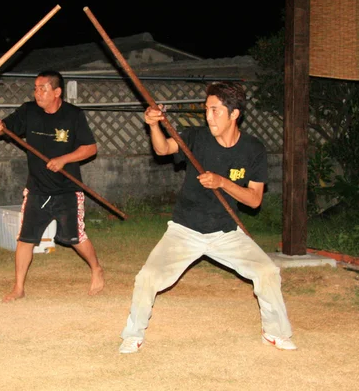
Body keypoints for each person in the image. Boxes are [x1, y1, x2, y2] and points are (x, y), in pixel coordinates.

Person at [118, 82, 296, 354]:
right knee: (148, 277)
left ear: (234, 114)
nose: (208, 116)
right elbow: (163, 149)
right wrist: (153, 124)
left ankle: (275, 333)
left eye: (215, 110)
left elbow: (254, 199)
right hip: (184, 230)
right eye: (206, 110)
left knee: (267, 272)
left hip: (226, 232)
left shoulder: (253, 149)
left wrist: (222, 182)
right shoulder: (196, 137)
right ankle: (133, 335)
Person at [0, 70, 105, 303]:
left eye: (43, 88)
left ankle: (96, 268)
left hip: (67, 189)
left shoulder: (73, 115)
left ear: (57, 92)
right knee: (25, 238)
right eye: (35, 88)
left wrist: (64, 159)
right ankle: (19, 287)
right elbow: (7, 128)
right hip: (37, 188)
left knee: (75, 237)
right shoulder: (29, 111)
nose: (37, 93)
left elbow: (90, 148)